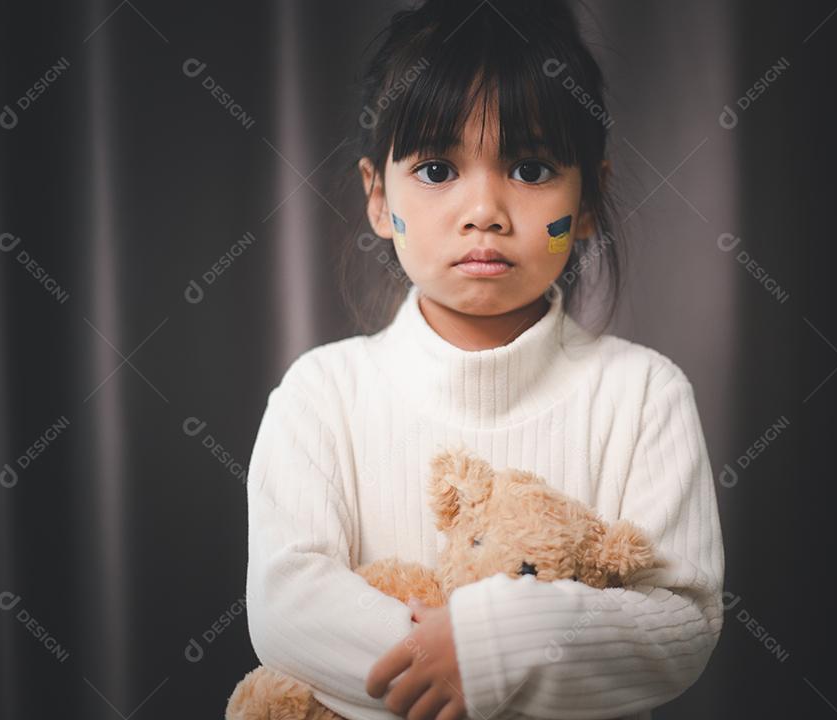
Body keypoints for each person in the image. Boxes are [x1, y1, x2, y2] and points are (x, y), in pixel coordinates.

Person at [244, 1, 725, 719]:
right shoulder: (322, 395)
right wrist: (441, 669)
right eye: (438, 168)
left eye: (530, 168)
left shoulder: (644, 395)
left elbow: (681, 623)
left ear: (587, 197)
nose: (485, 210)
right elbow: (286, 604)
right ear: (379, 198)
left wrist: (489, 649)